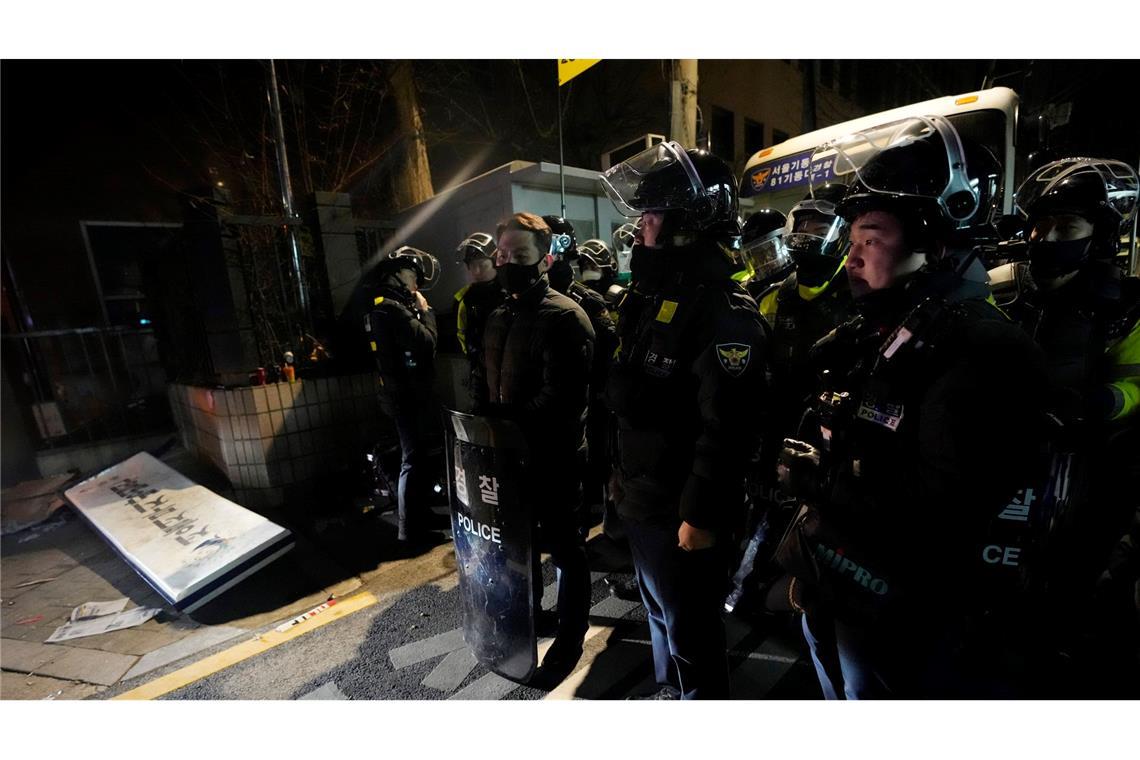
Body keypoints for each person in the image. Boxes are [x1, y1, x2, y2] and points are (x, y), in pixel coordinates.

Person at [775, 116, 1048, 698]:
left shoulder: (983, 351)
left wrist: (820, 480)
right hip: (843, 588)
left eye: (870, 240)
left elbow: (938, 512)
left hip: (904, 617)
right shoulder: (890, 328)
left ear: (937, 240)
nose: (851, 259)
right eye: (850, 243)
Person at [600, 141, 770, 699]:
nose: (640, 229)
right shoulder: (652, 295)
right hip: (645, 499)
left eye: (651, 216)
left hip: (681, 514)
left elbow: (729, 428)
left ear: (684, 224)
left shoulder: (722, 310)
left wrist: (700, 515)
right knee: (661, 621)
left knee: (692, 636)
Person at [1002, 157, 1140, 691]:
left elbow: (1136, 387)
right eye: (1041, 225)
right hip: (1006, 463)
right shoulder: (1005, 291)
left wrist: (1102, 402)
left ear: (1100, 234)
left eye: (1066, 226)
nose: (1046, 237)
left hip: (1083, 472)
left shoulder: (1124, 309)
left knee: (1061, 600)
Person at [483, 212, 595, 678]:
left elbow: (563, 398)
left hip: (555, 458)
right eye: (503, 255)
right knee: (515, 548)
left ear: (545, 260)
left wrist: (509, 425)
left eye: (520, 256)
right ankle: (527, 623)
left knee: (567, 552)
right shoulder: (497, 315)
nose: (508, 263)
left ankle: (570, 639)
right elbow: (483, 382)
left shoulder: (566, 317)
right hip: (508, 461)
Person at [542, 216, 620, 522]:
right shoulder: (524, 301)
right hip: (545, 412)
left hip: (583, 409)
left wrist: (597, 392)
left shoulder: (585, 300)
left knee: (590, 469)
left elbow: (610, 347)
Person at [364, 246, 442, 545]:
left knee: (419, 455)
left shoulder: (383, 305)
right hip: (406, 395)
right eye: (413, 275)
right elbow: (427, 341)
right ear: (397, 274)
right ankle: (410, 528)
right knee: (414, 458)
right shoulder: (392, 309)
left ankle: (420, 514)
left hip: (402, 392)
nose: (416, 285)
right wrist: (427, 311)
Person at [452, 232, 504, 407]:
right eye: (472, 265)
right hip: (480, 371)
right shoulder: (465, 298)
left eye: (482, 264)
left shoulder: (509, 292)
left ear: (495, 262)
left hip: (510, 369)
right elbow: (462, 333)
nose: (476, 271)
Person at [740, 208, 792, 300]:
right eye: (757, 253)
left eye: (770, 249)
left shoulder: (799, 282)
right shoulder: (749, 290)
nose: (764, 259)